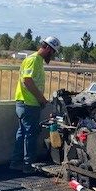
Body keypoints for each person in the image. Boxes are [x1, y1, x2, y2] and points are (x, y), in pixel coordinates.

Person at [10, 36, 61, 174]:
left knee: (22, 134)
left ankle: (16, 163)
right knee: (30, 135)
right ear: (48, 48)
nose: (53, 55)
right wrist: (42, 99)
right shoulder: (33, 60)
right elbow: (27, 81)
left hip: (24, 103)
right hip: (29, 104)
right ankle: (28, 165)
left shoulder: (35, 60)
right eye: (53, 52)